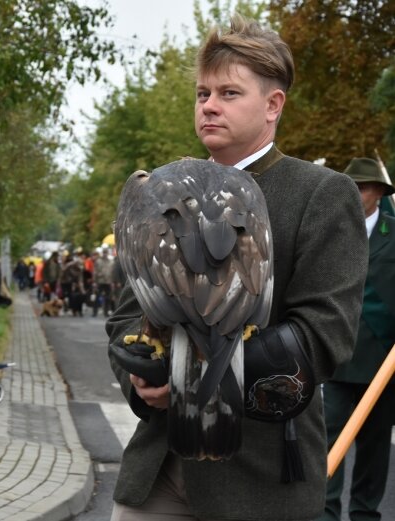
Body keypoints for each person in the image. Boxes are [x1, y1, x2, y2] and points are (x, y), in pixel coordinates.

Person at [106, 15, 368, 521]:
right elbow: (125, 316)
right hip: (157, 472)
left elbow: (325, 335)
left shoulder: (319, 194)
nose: (209, 105)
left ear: (273, 105)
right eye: (203, 93)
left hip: (260, 479)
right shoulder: (161, 189)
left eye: (228, 93)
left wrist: (203, 374)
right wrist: (144, 378)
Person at [320, 157, 395, 521]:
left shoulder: (394, 233)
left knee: (375, 446)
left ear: (379, 193)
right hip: (337, 355)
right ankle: (325, 511)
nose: (354, 193)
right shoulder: (331, 230)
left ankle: (365, 514)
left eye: (362, 187)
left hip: (384, 360)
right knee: (327, 438)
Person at [93, 245, 115, 317]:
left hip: (108, 282)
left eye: (106, 252)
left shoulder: (111, 262)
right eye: (104, 252)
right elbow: (95, 272)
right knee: (97, 297)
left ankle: (106, 312)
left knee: (108, 298)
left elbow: (112, 272)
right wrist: (94, 282)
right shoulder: (98, 261)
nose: (105, 254)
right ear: (102, 253)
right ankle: (94, 312)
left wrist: (112, 282)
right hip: (100, 281)